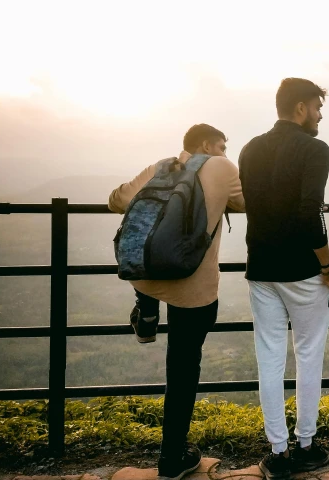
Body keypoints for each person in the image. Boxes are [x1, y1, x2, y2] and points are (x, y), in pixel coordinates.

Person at [108, 124, 245, 480]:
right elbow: (249, 202)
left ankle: (147, 310)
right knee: (183, 369)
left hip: (142, 272)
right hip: (191, 286)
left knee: (150, 283)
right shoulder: (222, 168)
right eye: (222, 145)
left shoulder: (161, 167)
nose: (226, 153)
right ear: (205, 145)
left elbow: (117, 200)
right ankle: (172, 458)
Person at [238, 78, 329, 480]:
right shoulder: (315, 149)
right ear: (300, 107)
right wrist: (328, 264)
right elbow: (308, 213)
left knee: (270, 359)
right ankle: (307, 445)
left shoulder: (249, 148)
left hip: (261, 267)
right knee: (309, 354)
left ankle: (277, 452)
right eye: (316, 106)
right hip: (302, 271)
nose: (319, 114)